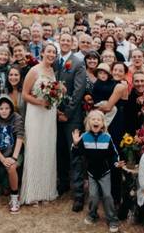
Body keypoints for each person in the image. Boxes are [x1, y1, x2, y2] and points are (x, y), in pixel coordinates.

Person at [20, 42, 60, 204]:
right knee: (35, 149)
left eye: (54, 53)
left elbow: (54, 94)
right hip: (36, 114)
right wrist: (39, 102)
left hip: (49, 115)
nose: (51, 55)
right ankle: (32, 194)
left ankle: (45, 191)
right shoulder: (34, 70)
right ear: (42, 53)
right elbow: (24, 94)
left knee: (47, 149)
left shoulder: (52, 71)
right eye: (48, 52)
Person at [73, 110, 121, 233]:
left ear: (103, 123)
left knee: (107, 196)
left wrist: (116, 162)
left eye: (98, 120)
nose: (95, 121)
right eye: (93, 119)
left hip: (105, 172)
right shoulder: (84, 137)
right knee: (93, 196)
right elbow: (76, 153)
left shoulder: (107, 137)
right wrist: (75, 143)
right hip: (91, 173)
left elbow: (114, 154)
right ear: (88, 122)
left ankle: (112, 219)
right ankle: (93, 215)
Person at [56, 32, 87, 209]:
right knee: (59, 151)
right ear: (59, 42)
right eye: (63, 40)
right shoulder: (54, 61)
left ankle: (78, 195)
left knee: (74, 154)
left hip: (72, 117)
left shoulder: (77, 63)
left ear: (73, 44)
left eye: (68, 40)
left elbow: (78, 91)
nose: (65, 43)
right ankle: (63, 184)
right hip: (54, 116)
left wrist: (67, 113)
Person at [0, 96, 25, 213]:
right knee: (4, 188)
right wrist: (3, 159)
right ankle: (7, 187)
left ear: (11, 109)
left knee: (11, 167)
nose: (4, 111)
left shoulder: (17, 118)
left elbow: (20, 136)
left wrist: (14, 158)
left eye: (6, 108)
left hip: (16, 152)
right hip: (2, 155)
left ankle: (15, 198)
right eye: (1, 108)